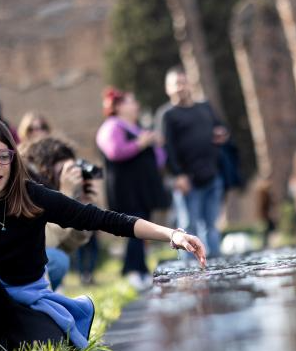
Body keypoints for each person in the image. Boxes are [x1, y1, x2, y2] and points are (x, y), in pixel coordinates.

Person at [0, 115, 205, 351]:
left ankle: (4, 348)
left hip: (27, 306)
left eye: (2, 156)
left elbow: (104, 220)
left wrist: (172, 235)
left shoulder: (33, 196)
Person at [96, 88, 168, 290]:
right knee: (134, 228)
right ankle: (132, 271)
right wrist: (140, 143)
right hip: (126, 190)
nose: (135, 105)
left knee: (143, 230)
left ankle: (142, 269)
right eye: (131, 101)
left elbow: (159, 160)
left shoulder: (137, 128)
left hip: (142, 189)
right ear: (118, 106)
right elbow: (114, 152)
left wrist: (157, 145)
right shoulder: (111, 127)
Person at [161, 67, 228, 259]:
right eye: (176, 84)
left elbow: (220, 128)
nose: (181, 87)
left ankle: (215, 266)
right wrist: (178, 175)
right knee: (188, 227)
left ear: (189, 84)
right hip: (187, 180)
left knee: (211, 225)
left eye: (183, 82)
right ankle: (189, 271)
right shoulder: (168, 115)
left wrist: (222, 135)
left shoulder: (204, 107)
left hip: (212, 175)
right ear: (168, 89)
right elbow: (167, 149)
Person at [21, 136, 96, 290]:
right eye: (62, 170)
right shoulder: (27, 186)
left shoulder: (55, 186)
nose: (67, 176)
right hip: (17, 266)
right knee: (57, 260)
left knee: (60, 257)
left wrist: (81, 205)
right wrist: (66, 194)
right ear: (44, 167)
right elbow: (45, 242)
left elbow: (68, 245)